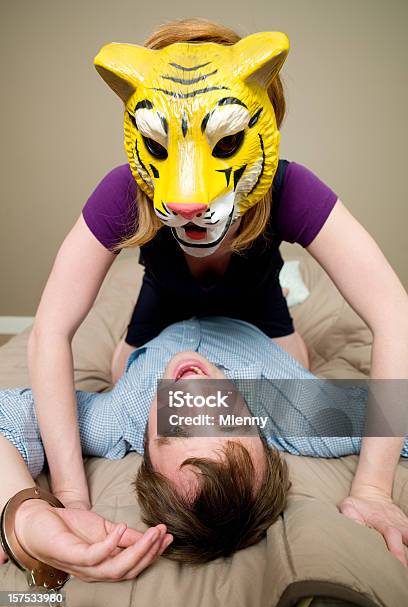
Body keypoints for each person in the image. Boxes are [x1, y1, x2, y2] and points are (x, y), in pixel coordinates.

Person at [28, 17, 408, 558]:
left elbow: (394, 310)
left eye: (226, 139)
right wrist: (71, 497)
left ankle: (289, 288)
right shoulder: (127, 191)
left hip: (260, 321)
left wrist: (373, 487)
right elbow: (51, 331)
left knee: (288, 353)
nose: (187, 202)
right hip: (158, 318)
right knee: (122, 364)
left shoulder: (287, 187)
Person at [2, 317, 408, 578]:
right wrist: (374, 490)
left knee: (123, 358)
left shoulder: (119, 419)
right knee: (292, 347)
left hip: (160, 322)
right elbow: (395, 408)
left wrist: (26, 512)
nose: (194, 388)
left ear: (144, 447)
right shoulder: (293, 411)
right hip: (252, 317)